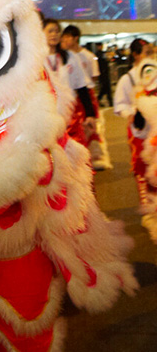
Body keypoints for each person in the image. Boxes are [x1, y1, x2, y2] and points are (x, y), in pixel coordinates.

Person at [112, 37, 157, 237]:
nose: (151, 55)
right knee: (142, 171)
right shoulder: (127, 79)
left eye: (152, 51)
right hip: (140, 134)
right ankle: (149, 212)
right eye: (147, 52)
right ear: (136, 55)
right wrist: (132, 113)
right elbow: (119, 105)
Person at [61, 25, 112, 170]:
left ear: (75, 38)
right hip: (73, 97)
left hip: (86, 93)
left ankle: (96, 156)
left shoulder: (88, 56)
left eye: (67, 36)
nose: (64, 39)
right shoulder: (63, 56)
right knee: (76, 128)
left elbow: (94, 77)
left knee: (91, 126)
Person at [43, 18, 96, 149]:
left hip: (70, 115)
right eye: (50, 31)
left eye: (57, 31)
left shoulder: (70, 57)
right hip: (46, 114)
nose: (54, 34)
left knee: (73, 152)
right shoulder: (36, 59)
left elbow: (82, 86)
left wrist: (90, 113)